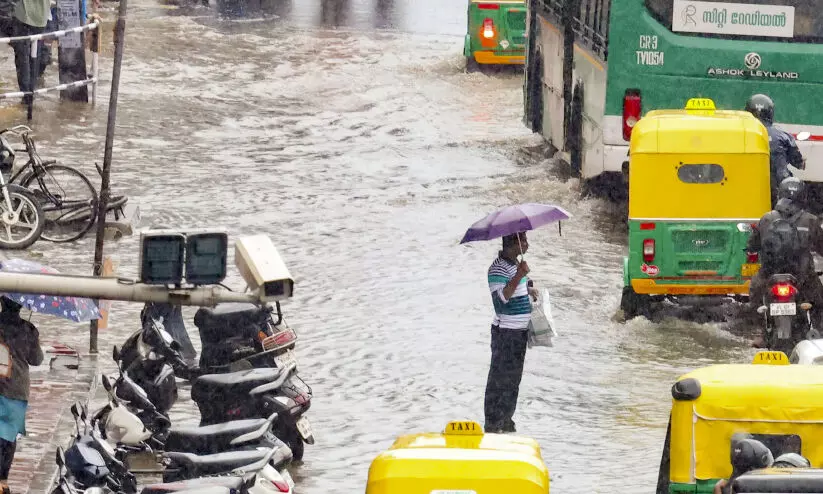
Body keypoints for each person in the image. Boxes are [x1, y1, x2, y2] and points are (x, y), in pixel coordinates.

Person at [747, 177, 823, 347]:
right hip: (802, 276)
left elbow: (752, 245)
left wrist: (751, 251)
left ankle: (760, 332)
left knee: (755, 295)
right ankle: (818, 334)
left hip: (769, 275)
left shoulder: (766, 219)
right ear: (803, 197)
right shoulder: (810, 220)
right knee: (819, 303)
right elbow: (821, 246)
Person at [484, 231, 538, 434]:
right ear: (512, 243)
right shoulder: (497, 268)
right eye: (523, 240)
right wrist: (519, 275)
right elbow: (502, 299)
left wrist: (529, 289)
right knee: (499, 378)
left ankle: (507, 420)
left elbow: (517, 290)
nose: (527, 245)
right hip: (505, 332)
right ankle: (493, 422)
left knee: (514, 379)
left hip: (519, 332)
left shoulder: (516, 264)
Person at [0, 296, 43, 494]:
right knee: (8, 437)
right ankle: (2, 480)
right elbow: (36, 360)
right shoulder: (28, 330)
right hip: (15, 390)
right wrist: (33, 336)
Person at [745, 94, 805, 208]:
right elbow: (798, 161)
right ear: (770, 113)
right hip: (778, 186)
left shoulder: (740, 133)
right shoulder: (782, 135)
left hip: (747, 184)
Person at [1, 0, 52, 106]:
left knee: (22, 58)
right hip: (41, 18)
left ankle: (27, 97)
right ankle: (30, 95)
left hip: (24, 17)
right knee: (34, 57)